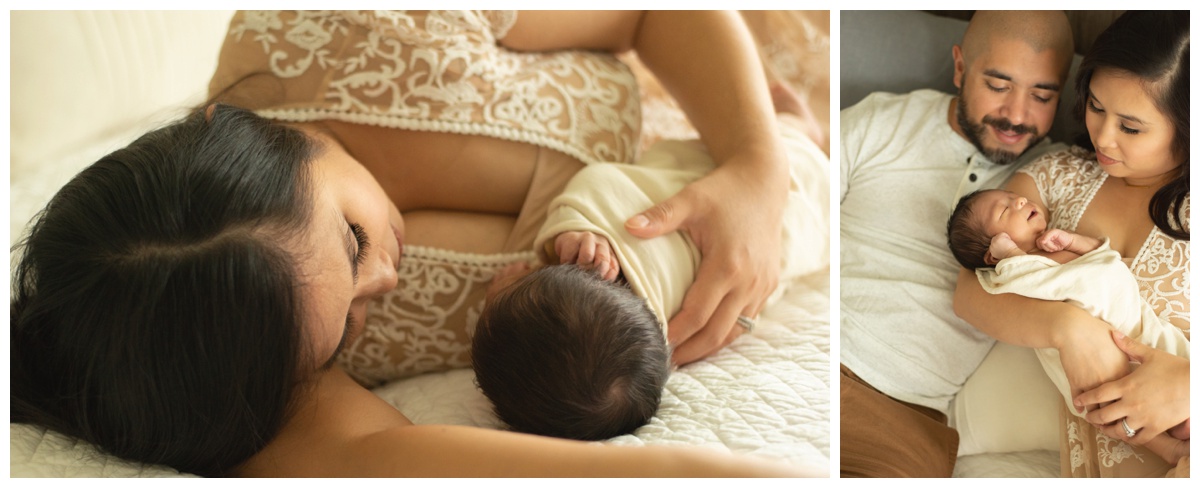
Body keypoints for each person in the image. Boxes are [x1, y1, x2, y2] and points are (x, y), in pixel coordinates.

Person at [10, 11, 817, 477]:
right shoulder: (251, 350)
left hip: (724, 109)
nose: (390, 280)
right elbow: (390, 461)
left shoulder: (349, 30)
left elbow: (653, 11)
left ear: (249, 131)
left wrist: (756, 162)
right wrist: (711, 471)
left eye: (355, 242)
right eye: (346, 330)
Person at [472, 106, 829, 441]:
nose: (500, 277)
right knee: (794, 136)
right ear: (574, 269)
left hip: (809, 225)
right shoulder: (615, 238)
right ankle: (803, 123)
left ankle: (808, 133)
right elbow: (599, 183)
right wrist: (576, 230)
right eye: (512, 283)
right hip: (781, 179)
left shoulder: (661, 338)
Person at [953, 11, 1189, 477]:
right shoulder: (1058, 174)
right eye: (1096, 106)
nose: (1103, 136)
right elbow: (971, 289)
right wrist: (1068, 328)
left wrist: (1189, 385)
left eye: (1132, 127)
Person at [839, 10, 1075, 477]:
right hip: (825, 360)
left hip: (909, 419)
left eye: (1043, 95)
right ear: (961, 67)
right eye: (999, 85)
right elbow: (795, 205)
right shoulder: (883, 120)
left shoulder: (1058, 178)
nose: (1017, 116)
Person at [946, 188, 1190, 443]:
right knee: (1123, 401)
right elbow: (1033, 282)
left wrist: (1073, 241)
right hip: (1110, 348)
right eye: (1006, 209)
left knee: (1174, 355)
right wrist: (1009, 256)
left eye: (1012, 196)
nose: (1019, 199)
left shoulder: (1052, 246)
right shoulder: (1012, 272)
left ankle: (1180, 420)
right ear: (992, 254)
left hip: (1137, 322)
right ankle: (1172, 441)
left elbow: (1105, 257)